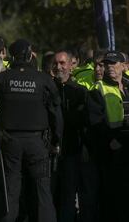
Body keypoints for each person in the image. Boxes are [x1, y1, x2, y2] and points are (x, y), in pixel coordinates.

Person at [0, 39, 63, 222]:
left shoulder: (1, 79)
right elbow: (56, 113)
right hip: (38, 142)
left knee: (10, 192)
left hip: (10, 142)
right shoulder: (44, 79)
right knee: (42, 191)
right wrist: (56, 141)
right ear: (28, 54)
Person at [52, 50, 99, 222]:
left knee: (71, 194)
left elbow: (86, 123)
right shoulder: (47, 89)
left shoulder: (80, 92)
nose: (59, 67)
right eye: (56, 63)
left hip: (73, 151)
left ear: (72, 66)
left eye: (62, 63)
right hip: (51, 152)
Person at [87, 50, 129, 222]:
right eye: (107, 64)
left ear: (124, 66)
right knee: (115, 196)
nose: (110, 67)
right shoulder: (98, 89)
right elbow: (96, 122)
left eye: (114, 63)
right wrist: (112, 141)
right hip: (113, 150)